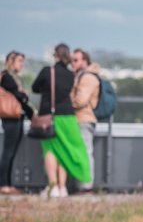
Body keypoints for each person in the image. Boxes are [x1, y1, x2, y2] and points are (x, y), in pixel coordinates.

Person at [31, 43, 91, 197]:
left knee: (50, 150)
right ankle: (62, 187)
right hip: (69, 117)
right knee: (64, 150)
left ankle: (52, 187)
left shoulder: (47, 71)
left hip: (50, 117)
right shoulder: (71, 75)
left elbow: (35, 87)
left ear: (55, 56)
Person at [0, 51, 34, 194]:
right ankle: (4, 184)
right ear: (11, 61)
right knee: (8, 152)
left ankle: (7, 183)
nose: (21, 65)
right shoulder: (7, 77)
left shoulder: (13, 77)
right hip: (11, 118)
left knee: (11, 152)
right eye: (19, 61)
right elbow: (19, 96)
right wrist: (25, 97)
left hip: (16, 118)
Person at [70, 48, 100, 192]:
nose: (72, 64)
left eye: (76, 60)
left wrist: (69, 100)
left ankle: (86, 186)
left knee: (85, 152)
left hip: (84, 118)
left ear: (84, 61)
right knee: (82, 152)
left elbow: (80, 100)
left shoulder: (87, 78)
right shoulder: (82, 76)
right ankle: (82, 184)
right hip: (81, 118)